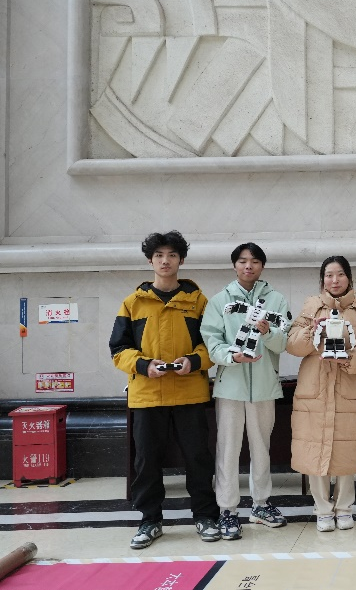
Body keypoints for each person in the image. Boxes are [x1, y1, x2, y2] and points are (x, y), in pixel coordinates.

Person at [109, 231, 220, 549]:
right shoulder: (133, 303)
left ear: (181, 260)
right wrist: (144, 365)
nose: (165, 261)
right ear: (150, 261)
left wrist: (194, 361)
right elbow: (118, 349)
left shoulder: (198, 302)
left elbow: (213, 343)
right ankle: (150, 520)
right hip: (147, 394)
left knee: (198, 458)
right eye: (159, 255)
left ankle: (205, 516)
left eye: (171, 255)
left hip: (189, 392)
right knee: (146, 461)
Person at [200, 243, 290, 540]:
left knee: (261, 446)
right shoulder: (219, 301)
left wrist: (268, 331)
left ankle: (261, 505)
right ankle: (227, 509)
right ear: (234, 265)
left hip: (264, 386)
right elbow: (211, 341)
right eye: (242, 261)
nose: (248, 266)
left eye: (254, 261)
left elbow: (283, 342)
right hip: (230, 387)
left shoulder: (276, 300)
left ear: (262, 266)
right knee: (227, 448)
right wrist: (232, 356)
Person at [286, 256, 356, 532]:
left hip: (349, 387)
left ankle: (344, 507)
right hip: (315, 388)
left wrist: (349, 358)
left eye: (340, 274)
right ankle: (322, 509)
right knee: (315, 449)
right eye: (329, 275)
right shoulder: (311, 305)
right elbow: (293, 344)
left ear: (349, 278)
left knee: (347, 450)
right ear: (322, 279)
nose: (334, 280)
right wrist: (312, 331)